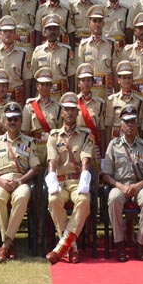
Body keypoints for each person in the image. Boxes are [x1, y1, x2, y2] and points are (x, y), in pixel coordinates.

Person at [44, 92, 97, 264]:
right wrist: (52, 179)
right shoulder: (54, 136)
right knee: (53, 200)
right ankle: (71, 247)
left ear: (77, 112)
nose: (70, 113)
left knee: (83, 200)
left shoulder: (86, 134)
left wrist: (85, 179)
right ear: (61, 112)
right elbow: (52, 160)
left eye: (73, 109)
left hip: (76, 181)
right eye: (66, 109)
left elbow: (86, 159)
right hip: (60, 181)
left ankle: (61, 248)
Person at [0, 102, 40, 262]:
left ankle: (5, 245)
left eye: (16, 119)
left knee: (22, 197)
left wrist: (20, 181)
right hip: (1, 180)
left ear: (21, 121)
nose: (13, 122)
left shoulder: (28, 142)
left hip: (20, 181)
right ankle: (8, 243)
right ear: (4, 121)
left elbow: (35, 167)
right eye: (9, 119)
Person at [102, 106, 143, 262]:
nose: (130, 125)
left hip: (139, 186)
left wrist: (139, 186)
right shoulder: (113, 145)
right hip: (119, 186)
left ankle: (140, 244)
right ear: (121, 125)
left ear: (137, 124)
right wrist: (120, 186)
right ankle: (119, 244)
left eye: (133, 121)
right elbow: (106, 175)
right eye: (126, 122)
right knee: (113, 199)